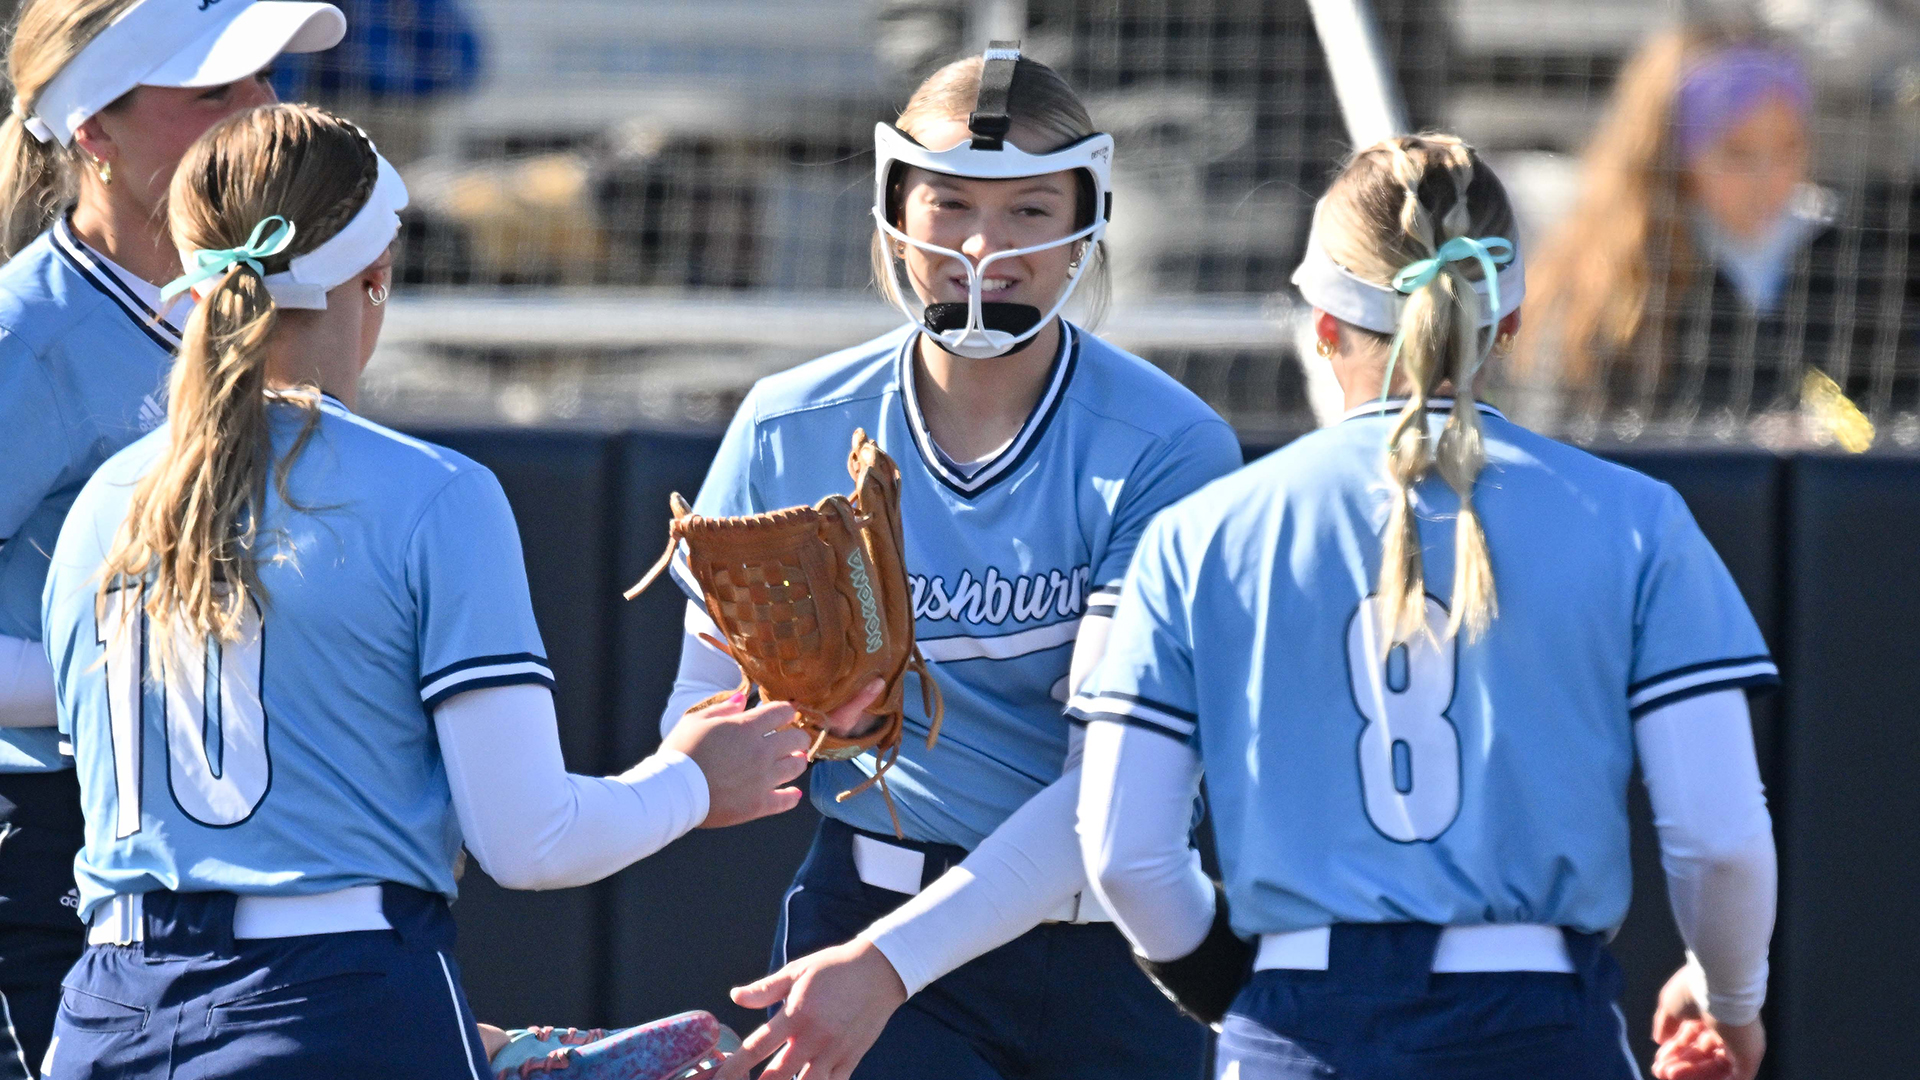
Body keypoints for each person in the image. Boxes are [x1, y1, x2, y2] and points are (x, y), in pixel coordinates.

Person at [39, 102, 865, 1079]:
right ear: (377, 274)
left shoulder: (102, 504)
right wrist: (692, 781)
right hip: (337, 1005)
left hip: (106, 1013)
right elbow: (530, 842)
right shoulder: (435, 495)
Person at [1072, 134, 1778, 1080]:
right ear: (1513, 318)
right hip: (1536, 1022)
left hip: (1302, 1020)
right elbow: (1723, 842)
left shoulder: (1199, 534)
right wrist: (1728, 996)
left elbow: (1123, 851)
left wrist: (1236, 995)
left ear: (1322, 325)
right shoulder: (1636, 521)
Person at [668, 45, 1243, 1080]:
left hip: (1112, 947)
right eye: (951, 205)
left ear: (1089, 215)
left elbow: (1106, 799)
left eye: (1029, 208)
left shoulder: (1166, 444)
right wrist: (787, 728)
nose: (986, 246)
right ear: (895, 207)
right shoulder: (788, 426)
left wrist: (887, 968)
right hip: (867, 916)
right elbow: (698, 719)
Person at [0, 2, 346, 1072]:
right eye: (212, 91)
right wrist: (152, 690)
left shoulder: (274, 298)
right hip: (71, 837)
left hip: (239, 835)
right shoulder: (28, 336)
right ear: (91, 133)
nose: (261, 109)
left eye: (263, 77)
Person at [1510, 28, 1919, 445]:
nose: (1769, 178)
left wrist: (1833, 439)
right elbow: (1562, 439)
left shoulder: (1854, 264)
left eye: (1789, 147)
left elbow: (1899, 418)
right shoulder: (1609, 281)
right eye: (1737, 153)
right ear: (1674, 156)